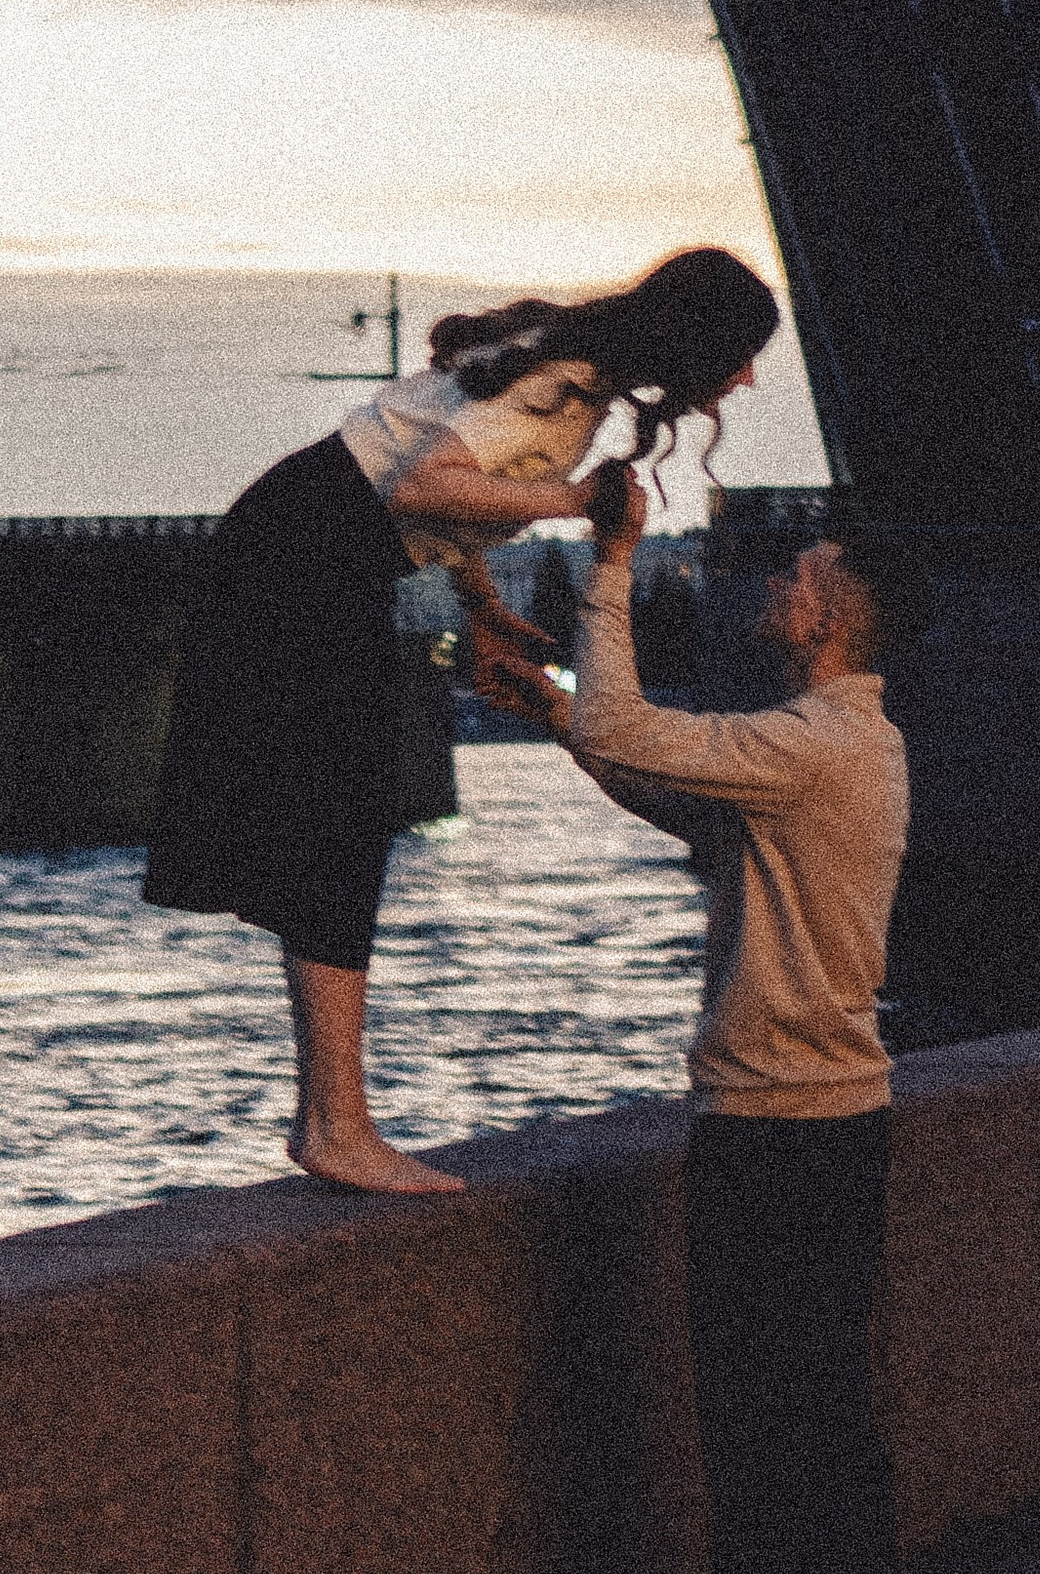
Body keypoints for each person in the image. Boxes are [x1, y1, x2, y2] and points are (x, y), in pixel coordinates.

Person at [142, 248, 780, 1195]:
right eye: (739, 355)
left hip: (298, 538)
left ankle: (330, 1120)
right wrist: (579, 500)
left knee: (337, 822)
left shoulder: (555, 357)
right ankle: (336, 1128)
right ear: (693, 345)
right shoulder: (562, 386)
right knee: (340, 823)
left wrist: (481, 611)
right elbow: (419, 489)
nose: (746, 378)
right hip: (306, 555)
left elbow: (428, 480)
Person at [486, 466, 927, 1574]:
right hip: (825, 1126)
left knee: (769, 1439)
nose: (784, 582)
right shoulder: (829, 747)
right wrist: (561, 713)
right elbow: (671, 789)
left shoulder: (816, 745)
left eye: (809, 577)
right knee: (814, 1432)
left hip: (779, 1133)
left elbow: (636, 737)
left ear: (840, 622)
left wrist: (609, 566)